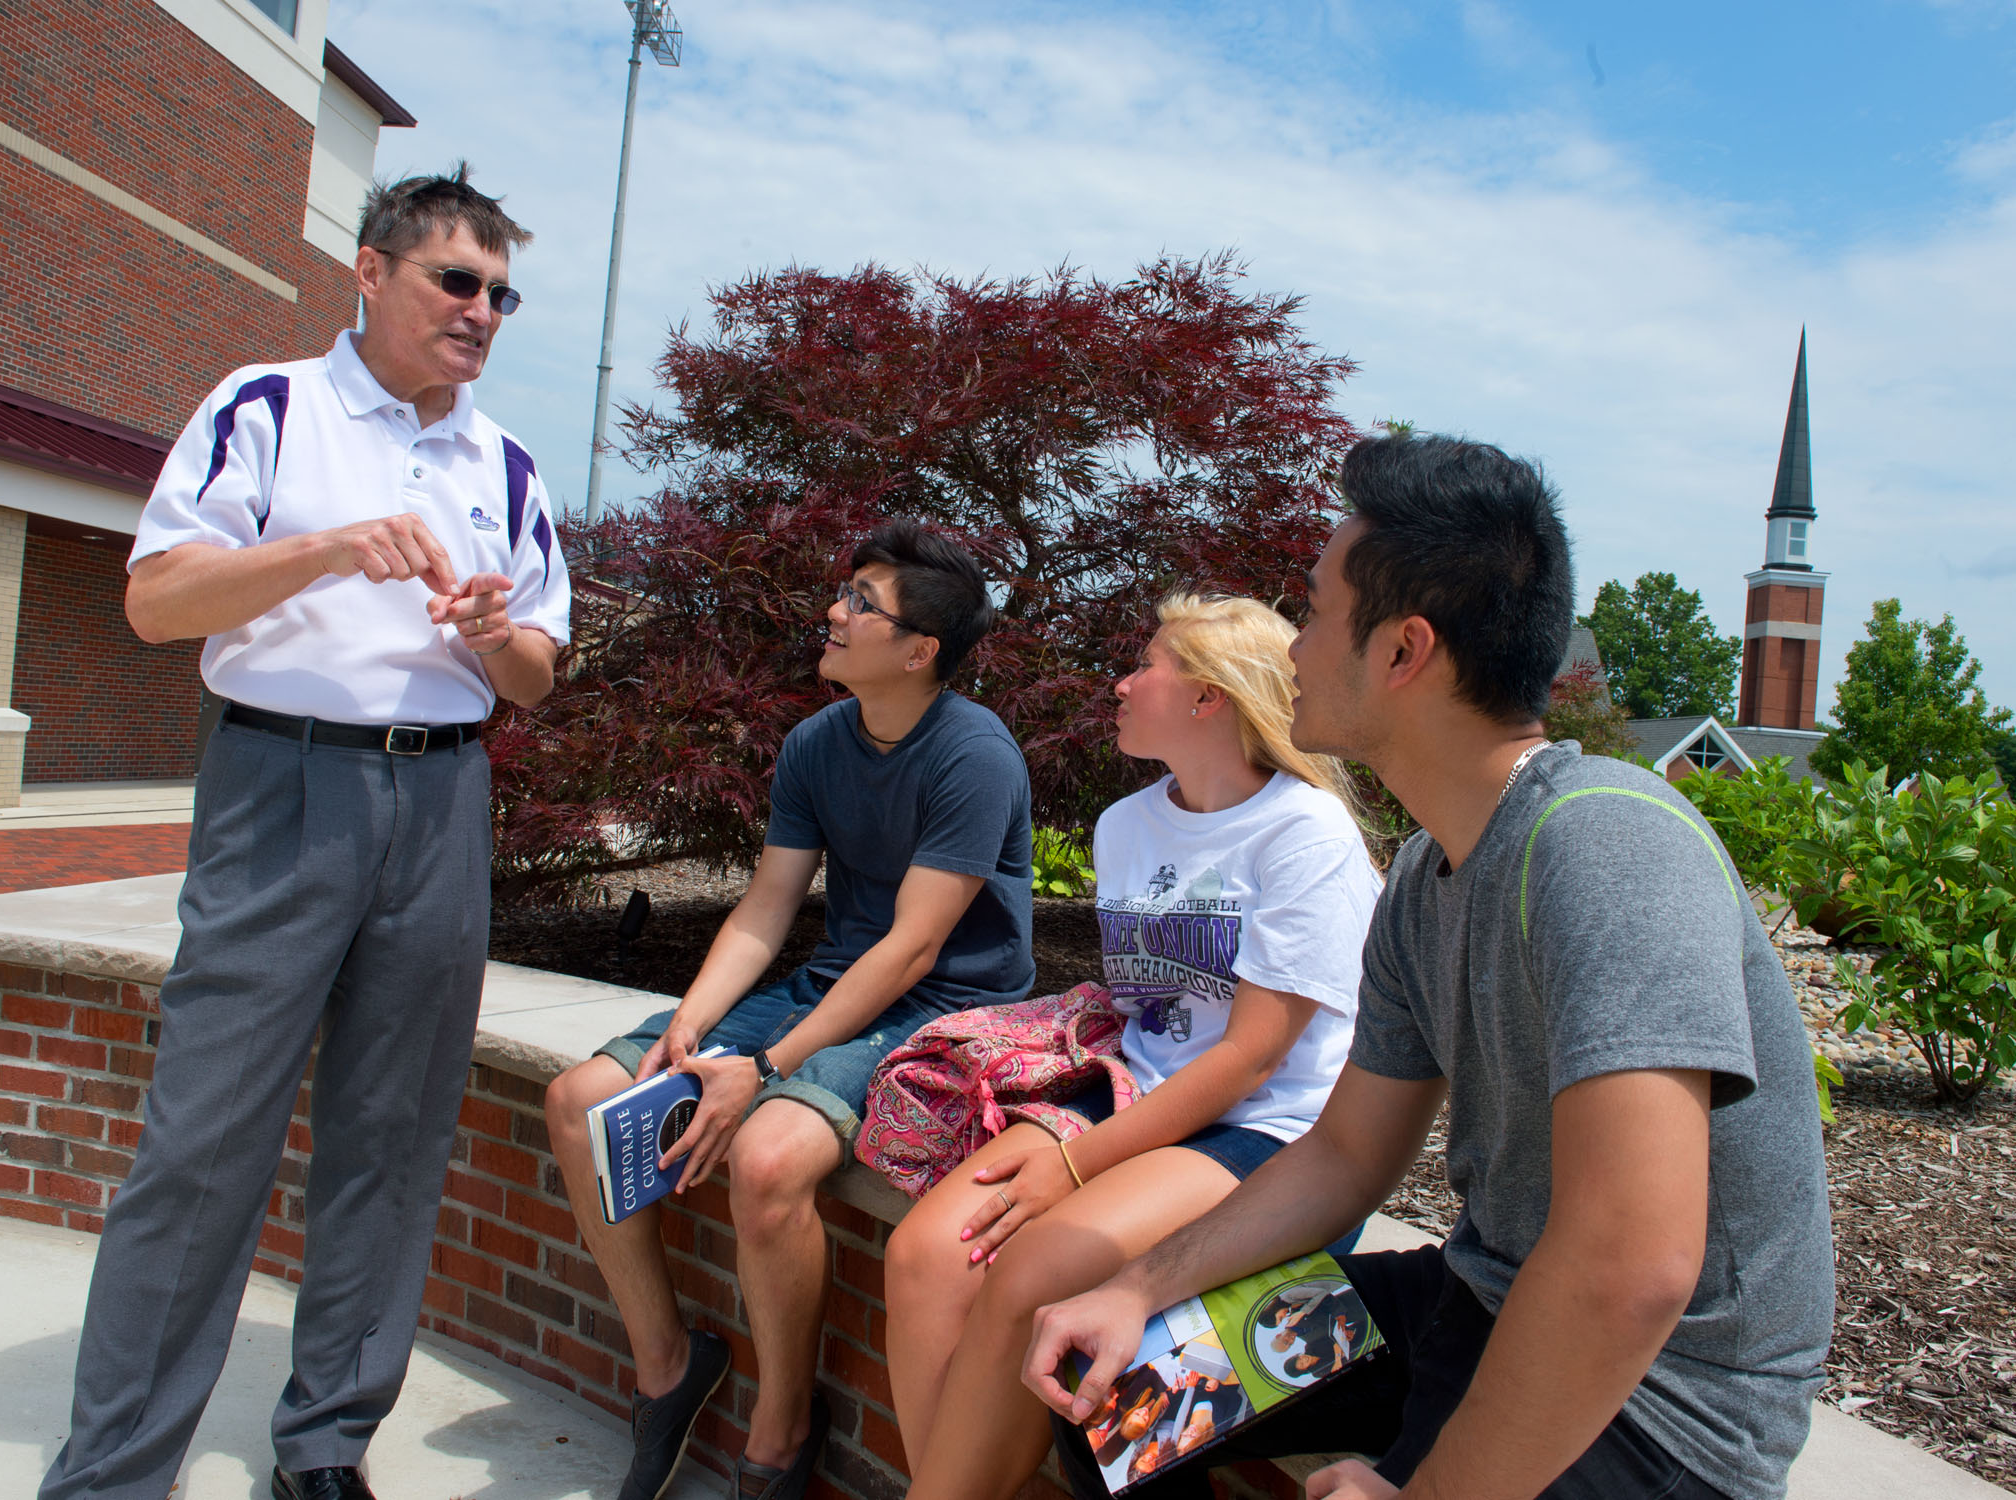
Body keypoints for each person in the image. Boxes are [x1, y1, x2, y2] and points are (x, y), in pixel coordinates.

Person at [1025, 435, 1835, 1500]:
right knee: (1117, 1404)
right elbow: (1345, 1155)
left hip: (1659, 1410)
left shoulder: (1608, 843)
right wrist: (1137, 1285)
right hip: (1473, 1299)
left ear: (1404, 651)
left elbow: (1629, 1270)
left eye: (1312, 613)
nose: (1294, 648)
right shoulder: (1424, 874)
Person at [41, 166, 569, 1500]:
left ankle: (326, 1446)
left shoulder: (505, 464)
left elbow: (540, 677)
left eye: (502, 293)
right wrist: (328, 550)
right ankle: (114, 1471)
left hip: (444, 801)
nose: (483, 311)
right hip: (283, 789)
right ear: (372, 272)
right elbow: (159, 604)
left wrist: (500, 638)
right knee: (205, 1140)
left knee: (394, 1138)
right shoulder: (265, 408)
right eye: (458, 280)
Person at [543, 519, 1034, 1500]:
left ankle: (782, 1430)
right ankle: (669, 1371)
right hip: (837, 983)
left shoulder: (972, 753)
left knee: (770, 1158)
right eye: (843, 591)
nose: (834, 612)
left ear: (919, 649)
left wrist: (764, 1069)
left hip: (944, 1010)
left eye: (861, 601)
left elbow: (915, 947)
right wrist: (696, 1018)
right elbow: (769, 908)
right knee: (582, 1100)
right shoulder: (817, 744)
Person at [883, 593, 1381, 1500]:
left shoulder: (1304, 834)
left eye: (1146, 663)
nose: (1121, 681)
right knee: (926, 1255)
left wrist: (1073, 1169)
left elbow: (1252, 1058)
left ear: (1210, 699)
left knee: (1030, 1269)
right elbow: (1151, 1011)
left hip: (1270, 1133)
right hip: (1139, 1093)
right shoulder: (1126, 825)